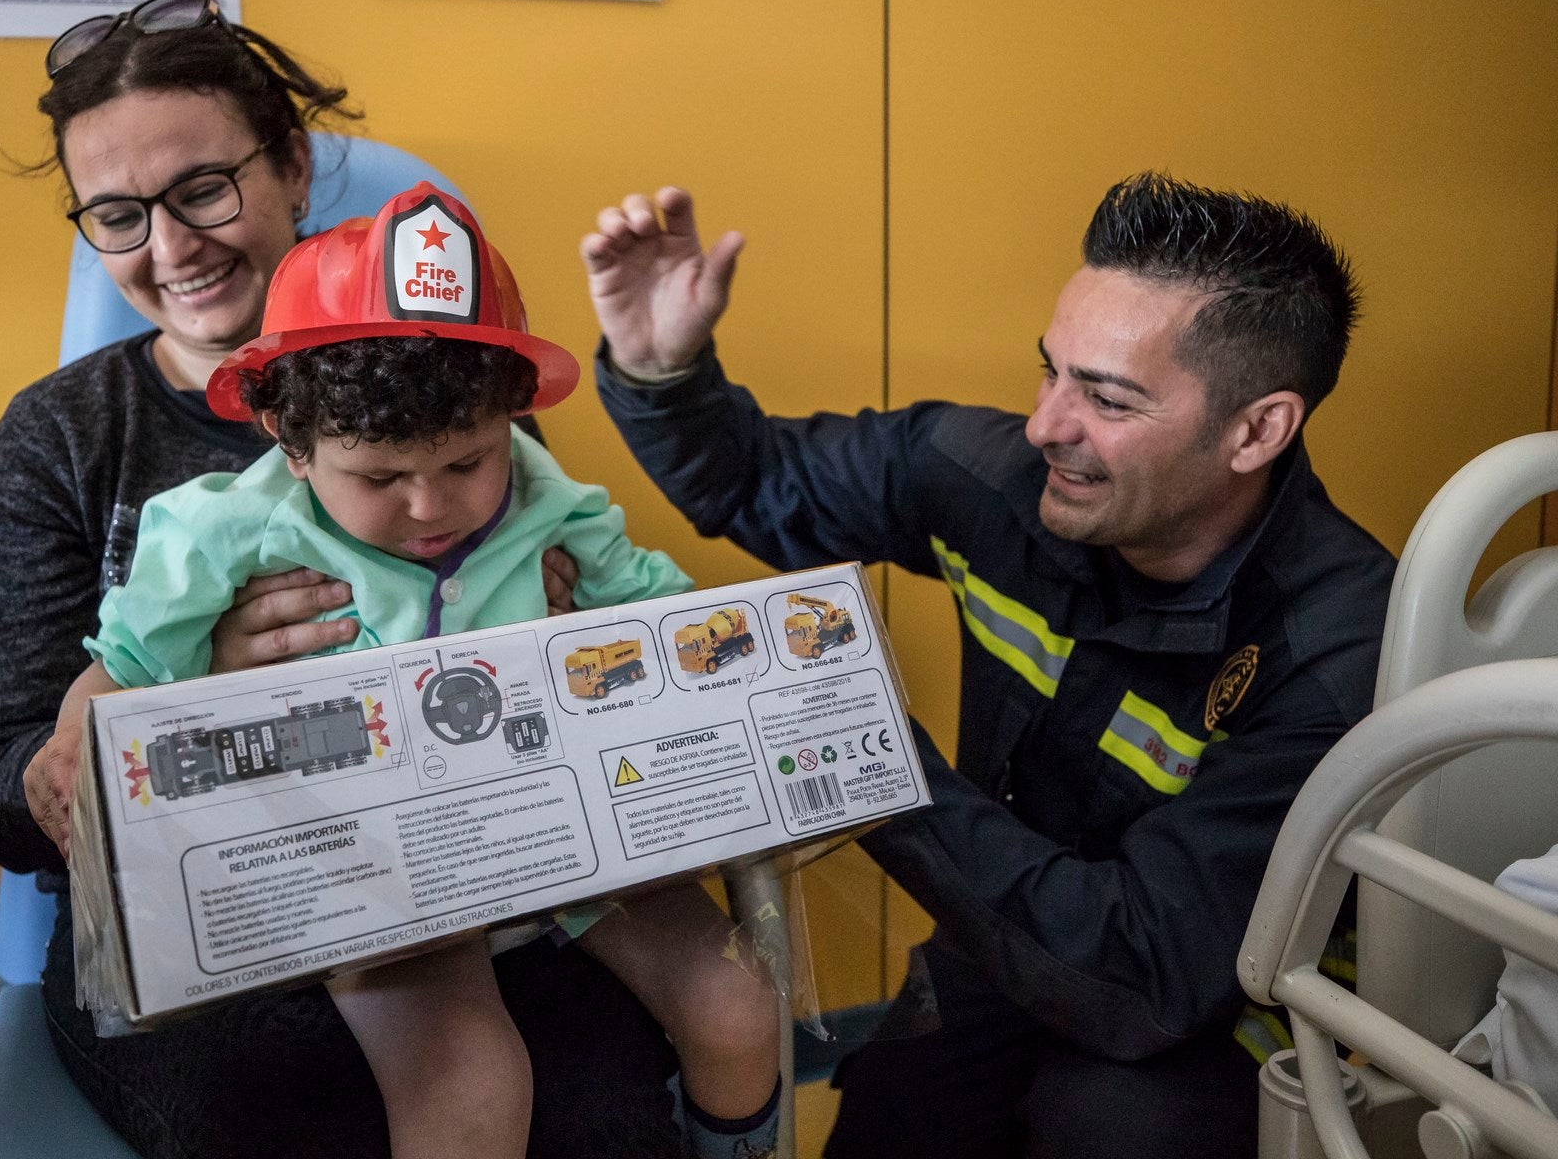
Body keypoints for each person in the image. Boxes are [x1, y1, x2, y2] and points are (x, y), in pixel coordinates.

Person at [0, 0, 683, 1158]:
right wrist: (200, 693)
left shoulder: (455, 400)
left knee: (605, 1114)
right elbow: (1, 784)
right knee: (287, 1112)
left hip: (469, 896)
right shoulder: (59, 443)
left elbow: (597, 660)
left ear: (292, 166)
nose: (172, 246)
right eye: (117, 214)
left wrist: (555, 650)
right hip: (205, 934)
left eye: (202, 189)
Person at [582, 174, 1398, 1158]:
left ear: (1257, 430)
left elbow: (1146, 979)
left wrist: (864, 752)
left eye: (1105, 396)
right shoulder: (997, 473)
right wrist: (662, 371)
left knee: (1112, 1127)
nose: (1048, 424)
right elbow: (755, 481)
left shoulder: (1335, 654)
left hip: (1224, 1013)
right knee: (895, 1109)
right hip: (1011, 947)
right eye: (1051, 370)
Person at [41, 183, 784, 1159]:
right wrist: (72, 744)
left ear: (512, 418)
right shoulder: (222, 537)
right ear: (289, 440)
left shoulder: (546, 501)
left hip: (565, 847)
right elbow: (120, 672)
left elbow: (672, 623)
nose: (432, 506)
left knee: (738, 1005)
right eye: (382, 479)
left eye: (470, 462)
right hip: (378, 889)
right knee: (471, 1089)